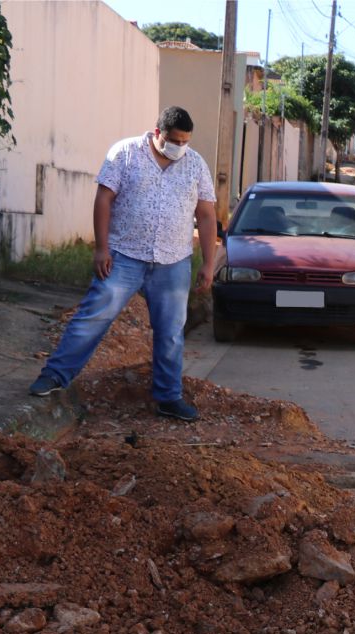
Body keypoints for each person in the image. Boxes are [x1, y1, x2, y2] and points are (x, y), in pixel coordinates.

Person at [27, 106, 220, 421]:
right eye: (174, 140)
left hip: (173, 262)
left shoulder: (195, 165)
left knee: (171, 331)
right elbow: (104, 198)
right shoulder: (125, 153)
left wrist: (208, 263)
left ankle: (168, 397)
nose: (179, 147)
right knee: (94, 315)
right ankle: (54, 375)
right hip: (124, 256)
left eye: (185, 141)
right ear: (158, 133)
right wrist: (101, 249)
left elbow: (207, 214)